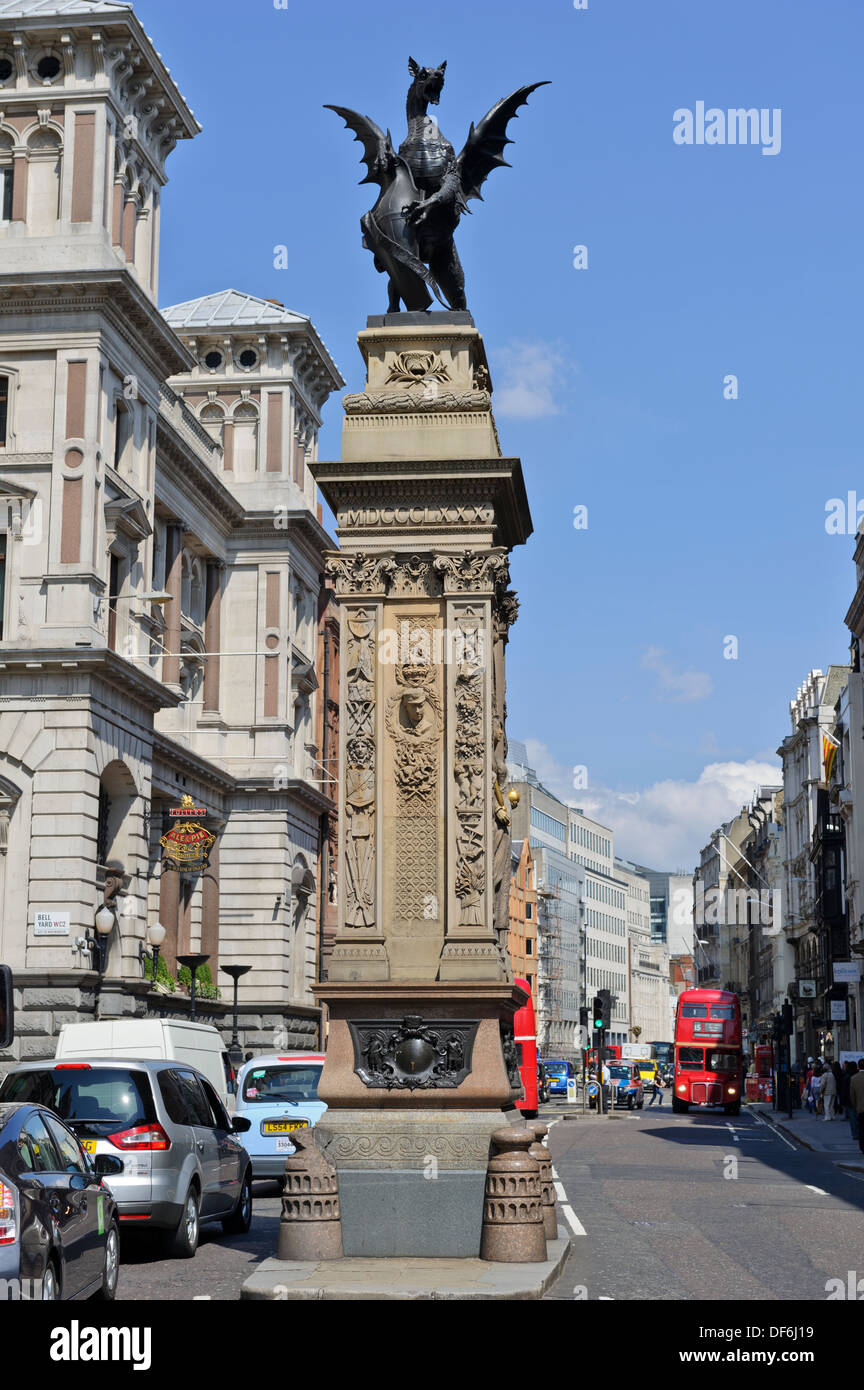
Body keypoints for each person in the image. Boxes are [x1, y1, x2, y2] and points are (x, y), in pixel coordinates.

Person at [841, 1060, 859, 1141]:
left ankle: (855, 1133)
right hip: (858, 1100)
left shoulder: (847, 1077)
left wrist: (843, 1101)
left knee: (853, 1118)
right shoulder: (857, 1075)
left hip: (850, 1100)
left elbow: (844, 1090)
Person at [850, 1061, 864, 1156]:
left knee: (862, 1130)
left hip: (861, 1109)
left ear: (858, 1067)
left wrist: (855, 1107)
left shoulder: (854, 1078)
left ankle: (863, 1148)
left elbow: (852, 1096)